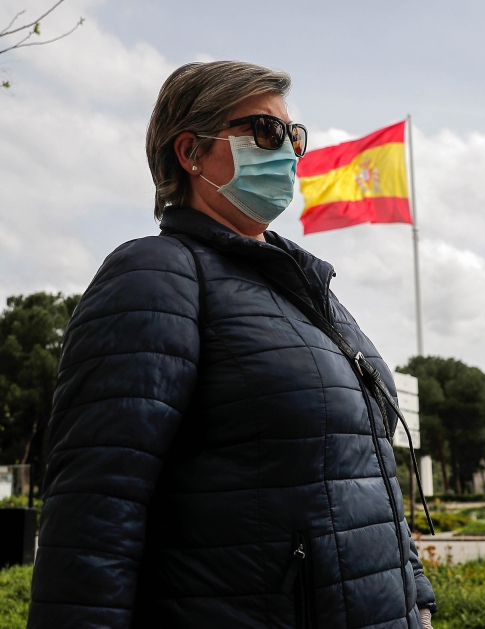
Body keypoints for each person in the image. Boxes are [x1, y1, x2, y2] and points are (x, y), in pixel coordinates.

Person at [27, 60, 436, 629]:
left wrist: (415, 597)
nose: (290, 151)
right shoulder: (155, 275)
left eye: (294, 136)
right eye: (265, 132)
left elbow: (364, 470)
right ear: (190, 152)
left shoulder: (311, 290)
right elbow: (97, 510)